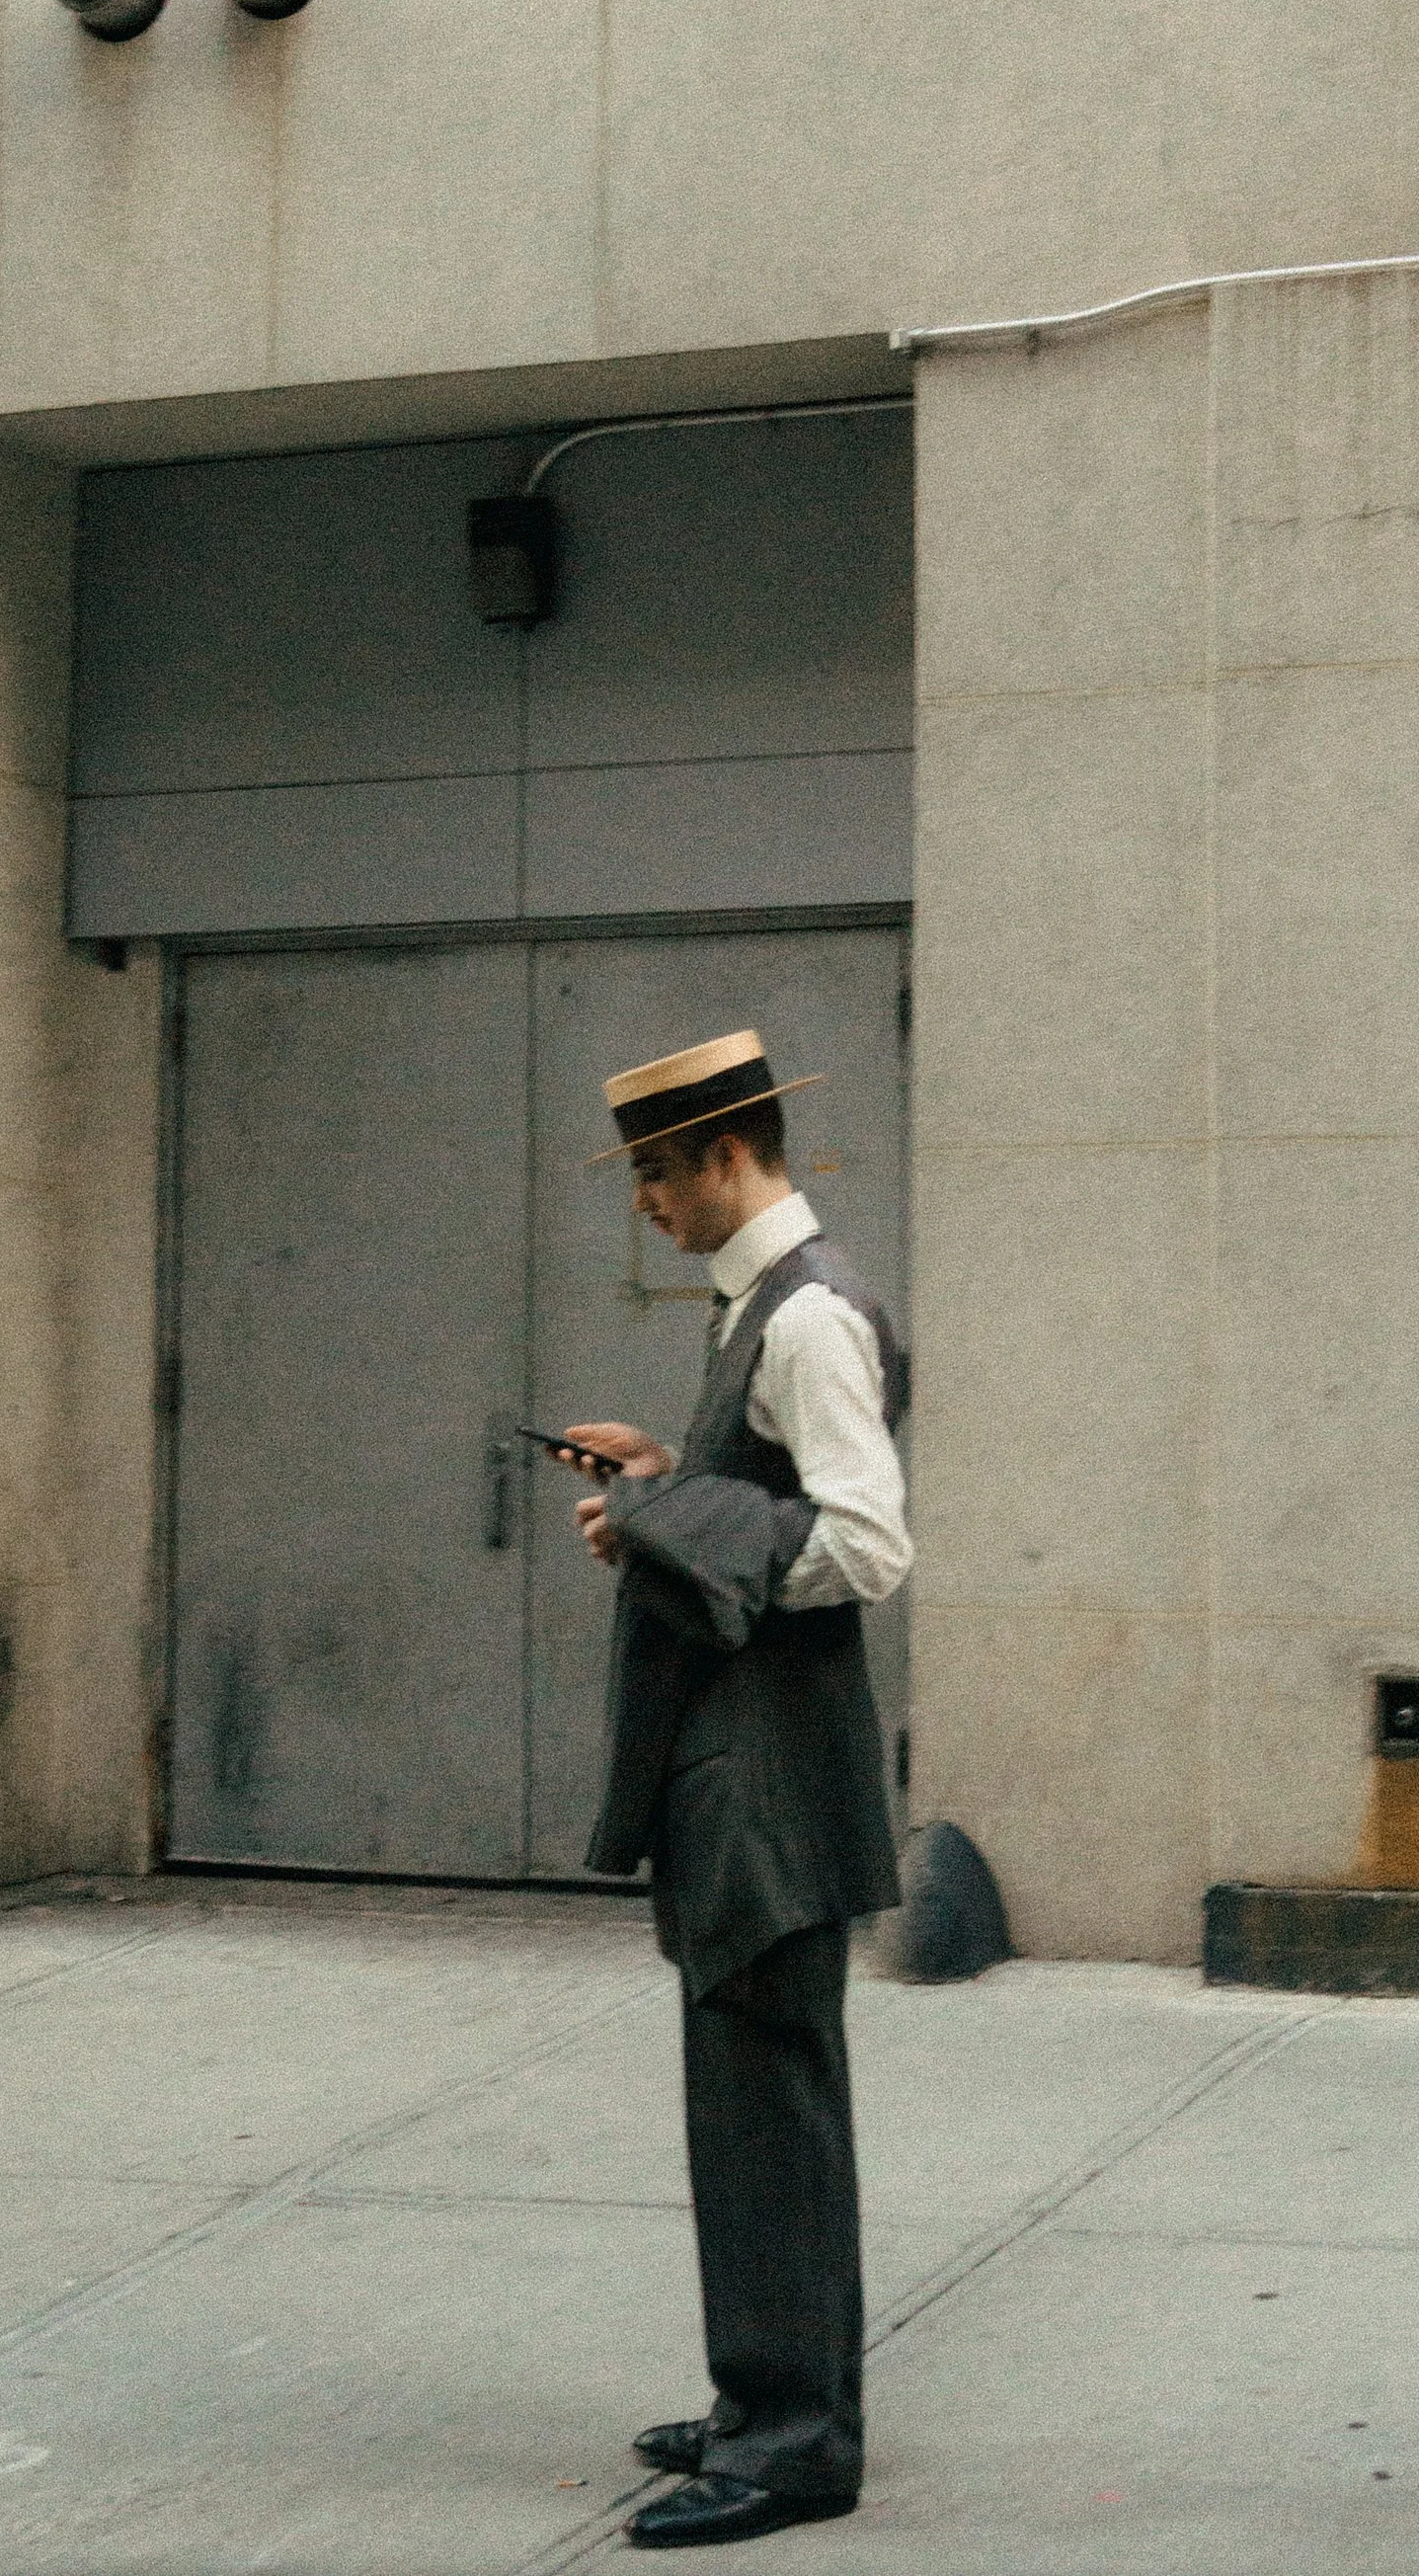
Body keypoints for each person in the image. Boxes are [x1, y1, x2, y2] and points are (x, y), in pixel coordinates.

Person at [555, 1028, 910, 2553]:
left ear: (722, 1155)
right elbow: (766, 1507)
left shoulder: (807, 1313)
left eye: (654, 1173)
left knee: (765, 2098)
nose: (646, 1202)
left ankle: (793, 2444)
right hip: (751, 1771)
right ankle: (775, 2395)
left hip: (762, 1778)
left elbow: (869, 1545)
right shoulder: (756, 1308)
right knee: (759, 2094)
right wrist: (664, 1487)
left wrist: (668, 1532)